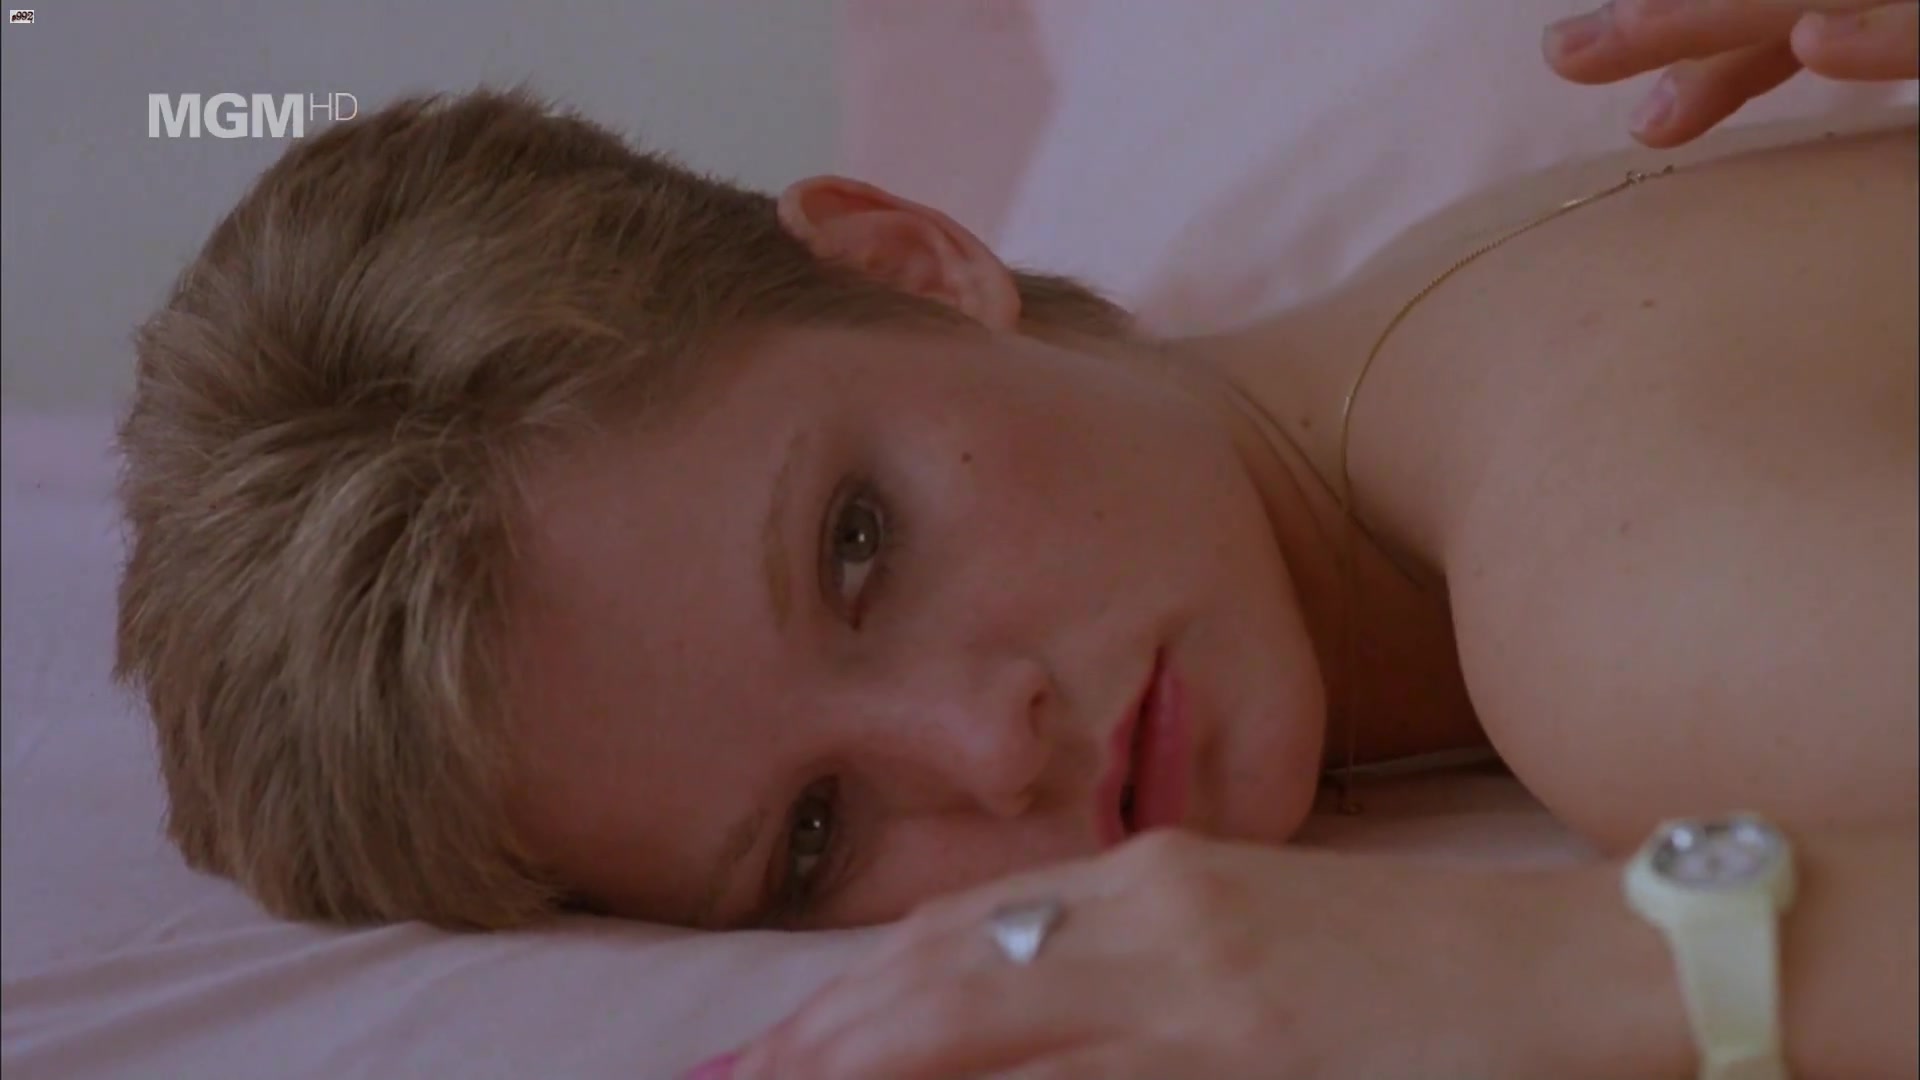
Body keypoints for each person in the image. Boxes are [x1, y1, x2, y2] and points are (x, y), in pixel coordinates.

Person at [111, 2, 1915, 1077]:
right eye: (814, 837)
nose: (986, 748)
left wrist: (1548, 969)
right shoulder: (1463, 301)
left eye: (858, 547)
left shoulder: (1610, 600)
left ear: (911, 264)